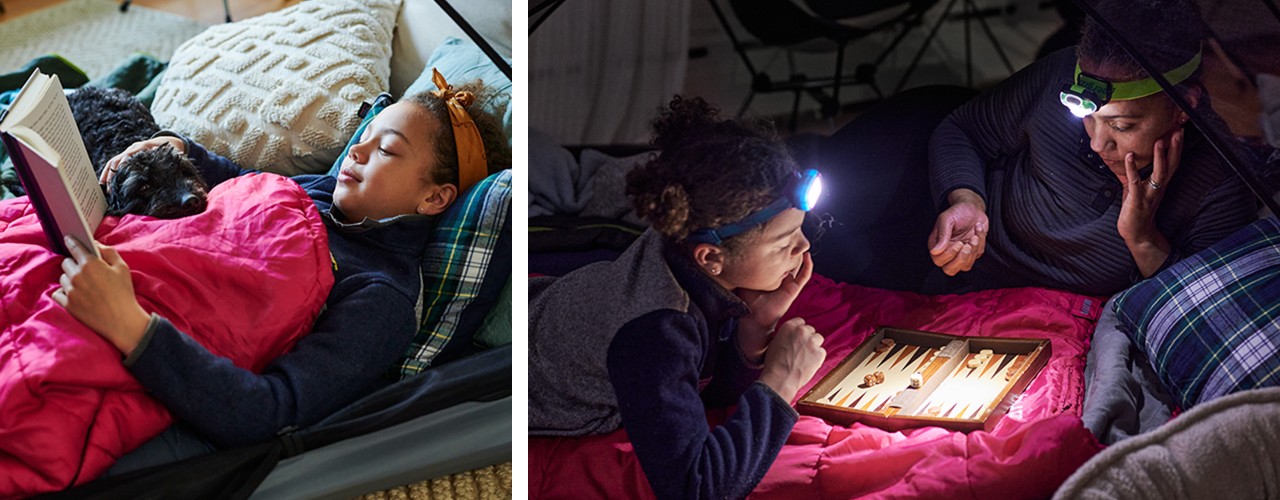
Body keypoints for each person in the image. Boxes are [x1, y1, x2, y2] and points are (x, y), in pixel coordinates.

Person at [50, 71, 510, 467]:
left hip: (136, 328)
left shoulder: (382, 295)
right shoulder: (320, 192)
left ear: (434, 197)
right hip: (125, 264)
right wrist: (180, 150)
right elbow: (246, 187)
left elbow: (272, 410)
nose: (357, 151)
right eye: (365, 135)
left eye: (386, 150)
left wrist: (131, 326)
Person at [816, 0, 1257, 296]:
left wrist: (1141, 237)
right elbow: (962, 129)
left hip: (1020, 305)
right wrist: (966, 199)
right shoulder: (1061, 73)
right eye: (1085, 116)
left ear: (1186, 106)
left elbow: (1188, 302)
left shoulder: (1218, 181)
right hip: (942, 242)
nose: (1097, 141)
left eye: (1122, 125)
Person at [528, 96, 827, 499]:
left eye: (800, 231)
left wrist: (752, 332)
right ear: (712, 258)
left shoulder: (681, 245)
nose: (804, 246)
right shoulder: (655, 331)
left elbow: (699, 386)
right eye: (784, 243)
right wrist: (780, 381)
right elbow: (696, 488)